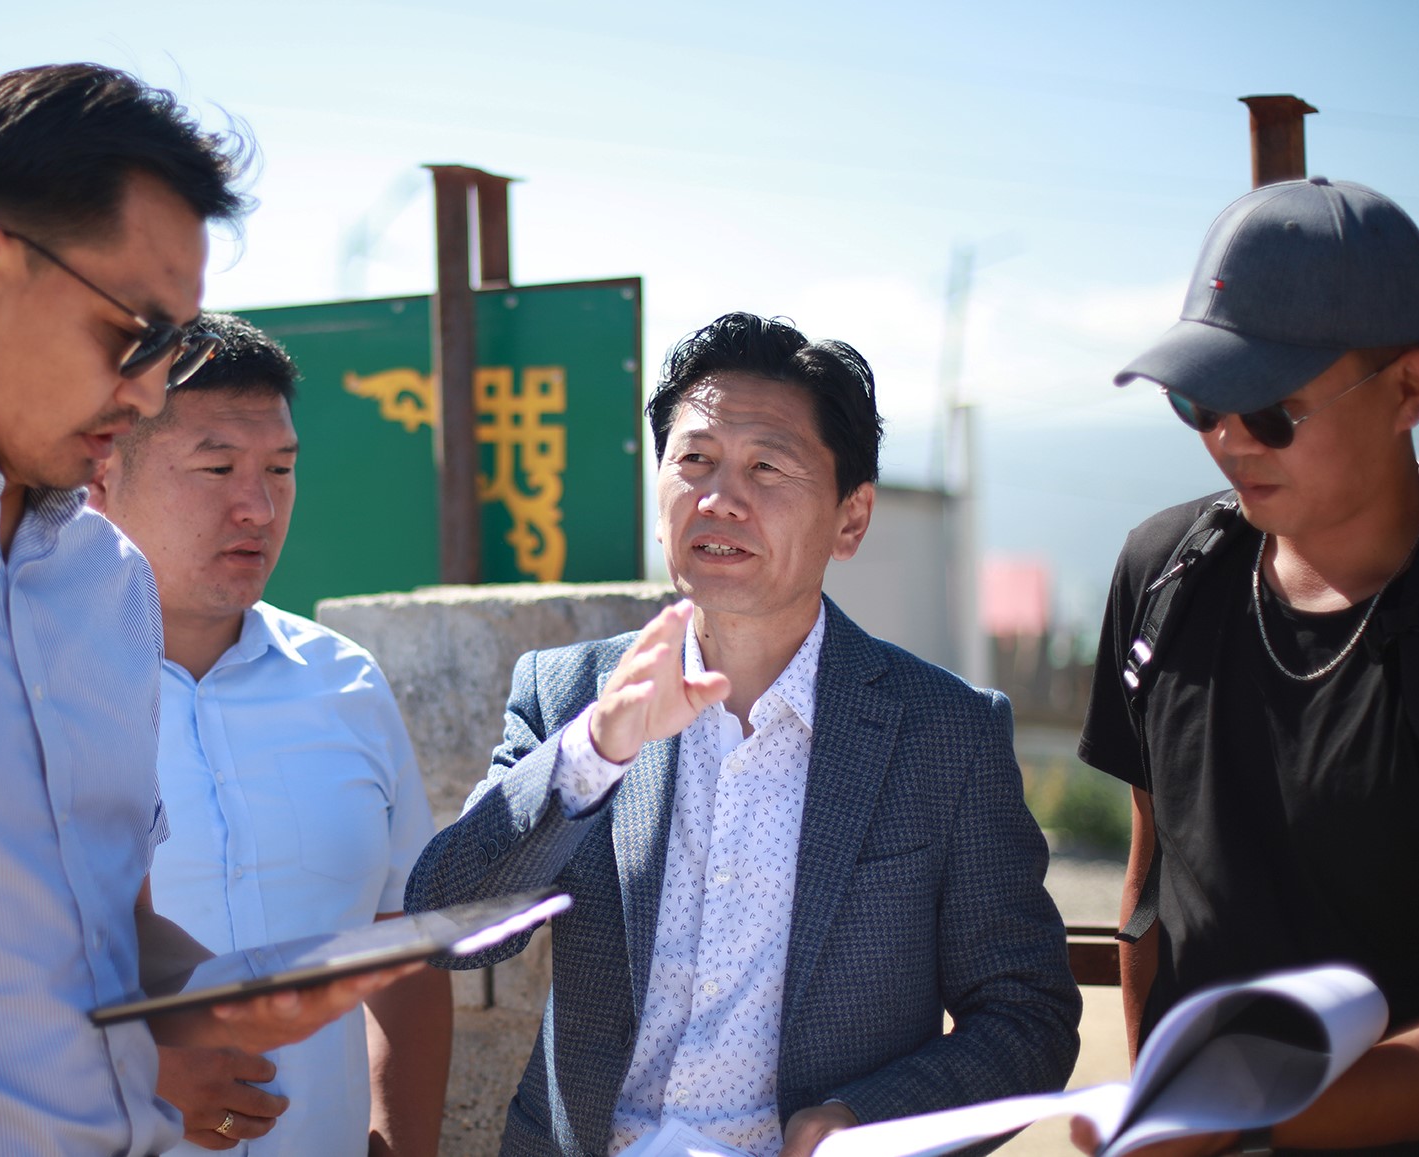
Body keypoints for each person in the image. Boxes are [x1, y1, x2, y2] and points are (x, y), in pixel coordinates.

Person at [0, 64, 398, 1156]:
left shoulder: (106, 580)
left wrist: (230, 991)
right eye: (135, 335)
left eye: (173, 345)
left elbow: (110, 927)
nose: (149, 389)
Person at [406, 311, 1080, 1157]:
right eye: (694, 460)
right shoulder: (573, 695)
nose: (719, 498)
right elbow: (446, 929)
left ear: (850, 518)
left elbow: (1025, 1014)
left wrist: (864, 1121)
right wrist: (594, 751)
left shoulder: (943, 734)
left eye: (766, 466)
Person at [1076, 178, 1419, 1155]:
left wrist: (1239, 1116)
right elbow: (1152, 890)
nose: (1227, 439)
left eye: (1273, 411)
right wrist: (1156, 1108)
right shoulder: (1163, 574)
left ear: (1408, 388)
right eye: (1197, 401)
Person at [89, 311, 452, 1156]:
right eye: (216, 467)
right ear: (102, 472)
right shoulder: (32, 690)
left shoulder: (347, 682)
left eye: (280, 469)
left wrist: (400, 1141)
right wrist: (126, 1075)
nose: (257, 506)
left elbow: (400, 952)